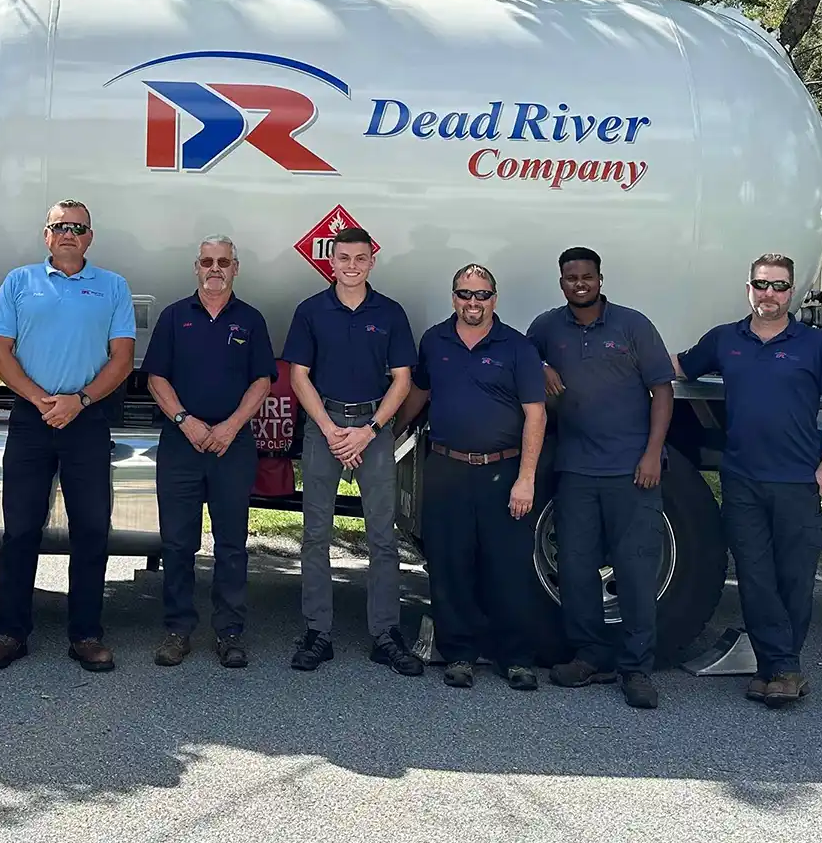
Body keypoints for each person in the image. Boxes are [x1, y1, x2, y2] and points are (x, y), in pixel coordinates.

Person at [675, 253, 822, 708]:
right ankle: (782, 669)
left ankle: (779, 667)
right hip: (743, 481)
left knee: (793, 577)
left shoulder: (814, 345)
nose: (769, 294)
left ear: (790, 292)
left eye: (778, 286)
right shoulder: (725, 339)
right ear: (749, 288)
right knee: (755, 577)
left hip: (798, 481)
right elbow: (677, 368)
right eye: (761, 285)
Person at [0, 201, 136, 672]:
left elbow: (122, 357)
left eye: (78, 227)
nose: (69, 233)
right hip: (32, 417)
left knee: (90, 529)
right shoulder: (18, 281)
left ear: (90, 237)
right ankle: (10, 633)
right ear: (46, 236)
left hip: (86, 419)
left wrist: (79, 401)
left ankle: (86, 635)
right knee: (20, 529)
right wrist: (43, 399)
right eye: (59, 227)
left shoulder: (113, 286)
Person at [526, 246, 674, 710]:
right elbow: (516, 357)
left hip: (631, 471)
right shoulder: (548, 327)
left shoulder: (632, 325)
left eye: (586, 276)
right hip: (575, 469)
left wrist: (652, 454)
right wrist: (540, 365)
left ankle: (636, 670)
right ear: (561, 282)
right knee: (575, 568)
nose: (579, 284)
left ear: (600, 278)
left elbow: (662, 391)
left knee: (633, 570)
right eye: (570, 278)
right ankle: (589, 657)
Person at [396, 265, 548, 690]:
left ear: (494, 299)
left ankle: (515, 658)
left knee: (508, 569)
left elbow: (536, 414)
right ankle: (459, 653)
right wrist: (385, 436)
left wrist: (527, 478)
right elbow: (418, 396)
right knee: (449, 565)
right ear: (453, 298)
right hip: (446, 467)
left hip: (503, 471)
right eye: (465, 294)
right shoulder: (435, 341)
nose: (473, 303)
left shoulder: (517, 347)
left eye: (481, 295)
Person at [283, 226, 422, 676]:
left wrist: (369, 430)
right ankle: (317, 632)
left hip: (373, 429)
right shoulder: (310, 311)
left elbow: (402, 379)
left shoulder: (390, 312)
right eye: (343, 258)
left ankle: (385, 634)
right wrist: (328, 429)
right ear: (332, 261)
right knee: (315, 535)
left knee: (382, 537)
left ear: (371, 262)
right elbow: (299, 376)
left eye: (360, 259)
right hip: (324, 426)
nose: (351, 266)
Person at [142, 236, 276, 668]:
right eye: (206, 261)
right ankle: (178, 630)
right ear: (195, 268)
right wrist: (186, 421)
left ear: (235, 268)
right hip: (182, 444)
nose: (214, 268)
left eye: (223, 262)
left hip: (231, 446)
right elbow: (156, 378)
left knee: (232, 543)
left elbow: (262, 381)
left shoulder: (251, 320)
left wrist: (231, 426)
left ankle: (230, 631)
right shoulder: (174, 316)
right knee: (178, 542)